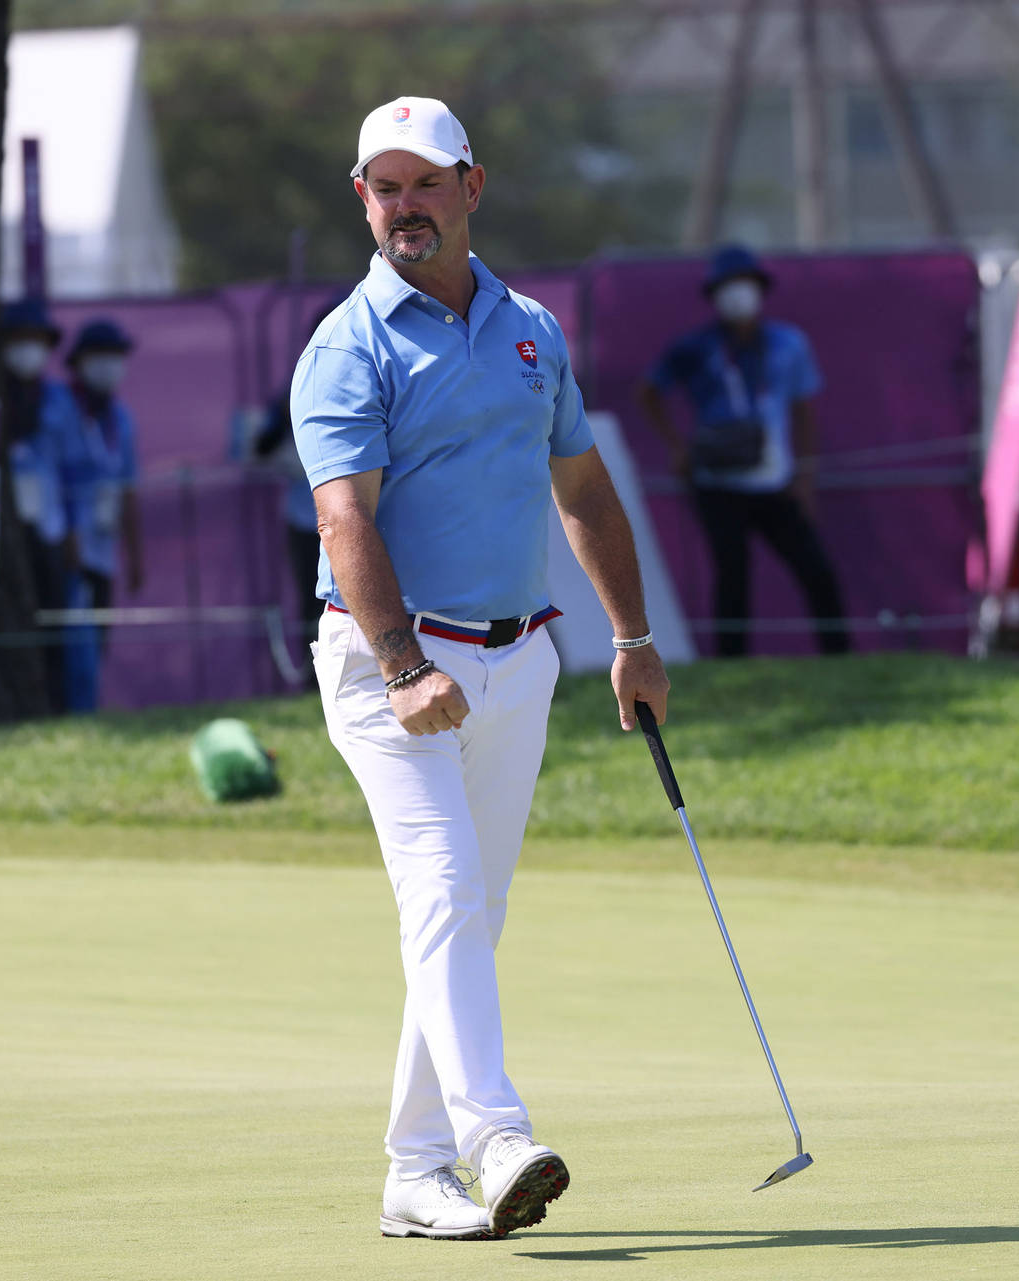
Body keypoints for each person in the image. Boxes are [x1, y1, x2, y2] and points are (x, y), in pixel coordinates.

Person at [292, 96, 669, 1241]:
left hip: (521, 659)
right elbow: (343, 520)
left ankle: (414, 1171)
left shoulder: (531, 330)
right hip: (386, 664)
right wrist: (405, 665)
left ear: (472, 186)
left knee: (470, 912)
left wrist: (635, 642)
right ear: (363, 199)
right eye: (383, 187)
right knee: (446, 891)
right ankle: (495, 1137)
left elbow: (584, 489)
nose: (404, 205)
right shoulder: (344, 346)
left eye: (424, 183)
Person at [637, 245, 850, 657]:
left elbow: (804, 411)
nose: (738, 295)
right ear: (715, 295)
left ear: (760, 290)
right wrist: (677, 447)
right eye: (729, 287)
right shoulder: (696, 347)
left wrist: (804, 476)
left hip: (776, 481)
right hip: (717, 483)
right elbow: (648, 392)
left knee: (816, 571)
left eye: (745, 286)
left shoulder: (789, 344)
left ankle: (840, 656)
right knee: (732, 576)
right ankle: (732, 664)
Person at [42, 317, 143, 714]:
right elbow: (52, 475)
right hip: (64, 548)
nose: (109, 365)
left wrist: (135, 556)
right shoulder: (58, 407)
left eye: (115, 356)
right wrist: (67, 531)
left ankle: (83, 710)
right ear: (79, 361)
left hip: (102, 552)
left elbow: (129, 490)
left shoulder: (121, 419)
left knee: (94, 638)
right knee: (67, 641)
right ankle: (68, 711)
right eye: (100, 356)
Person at [254, 295, 350, 669]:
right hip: (306, 519)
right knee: (316, 599)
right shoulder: (296, 385)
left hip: (363, 512)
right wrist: (284, 415)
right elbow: (262, 446)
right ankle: (318, 675)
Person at [0, 298, 71, 713]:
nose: (28, 348)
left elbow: (74, 472)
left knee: (53, 626)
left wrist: (72, 533)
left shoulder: (57, 401)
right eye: (19, 339)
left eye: (36, 340)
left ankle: (54, 710)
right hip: (2, 536)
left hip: (50, 533)